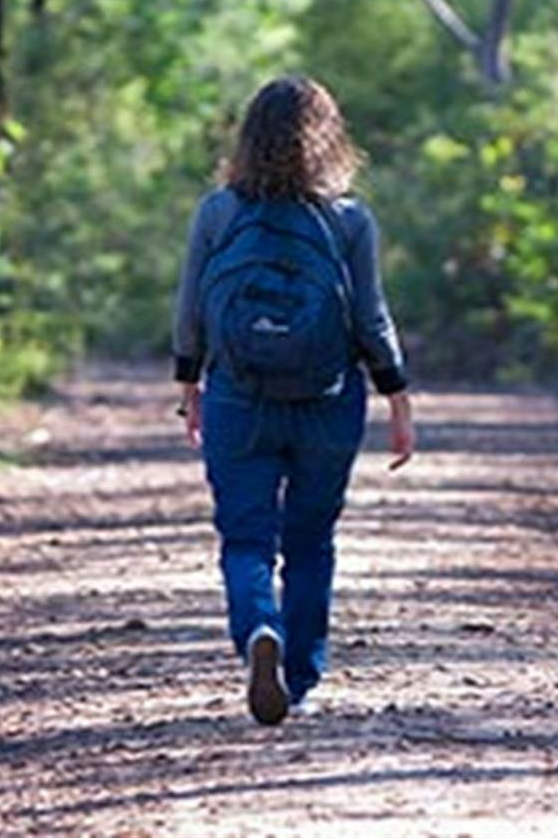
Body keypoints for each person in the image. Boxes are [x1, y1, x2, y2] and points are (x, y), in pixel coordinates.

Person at [172, 74, 416, 725]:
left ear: (247, 138)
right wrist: (397, 395)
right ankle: (301, 679)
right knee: (310, 540)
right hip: (327, 400)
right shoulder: (348, 219)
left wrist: (189, 382)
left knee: (246, 538)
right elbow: (371, 316)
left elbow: (191, 308)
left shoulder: (218, 212)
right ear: (328, 139)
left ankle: (258, 631)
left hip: (237, 397)